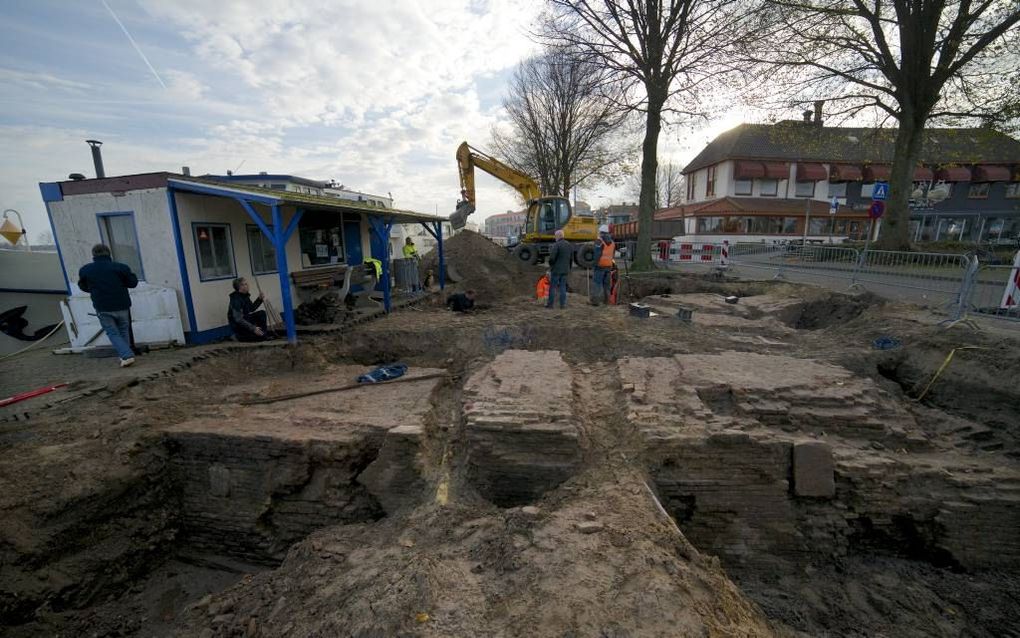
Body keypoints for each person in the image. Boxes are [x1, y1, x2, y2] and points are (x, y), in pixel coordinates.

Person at [78, 244, 139, 367]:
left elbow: (83, 286)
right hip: (122, 305)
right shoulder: (121, 267)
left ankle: (126, 356)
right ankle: (125, 356)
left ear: (93, 255)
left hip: (102, 306)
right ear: (109, 253)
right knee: (123, 331)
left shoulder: (85, 270)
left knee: (113, 333)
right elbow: (132, 283)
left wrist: (94, 290)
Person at [228, 277, 269, 341]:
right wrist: (253, 328)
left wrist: (259, 299)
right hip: (238, 326)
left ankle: (263, 333)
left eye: (246, 284)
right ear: (240, 287)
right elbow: (238, 319)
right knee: (258, 338)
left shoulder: (244, 296)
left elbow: (251, 308)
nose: (247, 286)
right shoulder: (236, 300)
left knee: (261, 313)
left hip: (245, 319)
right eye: (244, 284)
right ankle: (237, 337)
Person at [546, 229, 571, 309]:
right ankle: (562, 305)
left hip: (556, 270)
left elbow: (552, 258)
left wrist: (551, 266)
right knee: (563, 287)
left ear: (558, 236)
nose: (555, 237)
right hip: (565, 270)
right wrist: (568, 268)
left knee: (553, 287)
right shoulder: (569, 245)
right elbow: (571, 259)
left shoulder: (556, 245)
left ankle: (550, 305)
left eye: (555, 236)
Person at [591, 224, 616, 306]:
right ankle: (606, 301)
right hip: (608, 266)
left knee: (597, 284)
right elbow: (612, 255)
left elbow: (597, 255)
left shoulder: (599, 241)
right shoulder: (612, 242)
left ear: (601, 232)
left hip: (600, 266)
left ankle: (595, 301)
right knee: (607, 285)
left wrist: (593, 265)